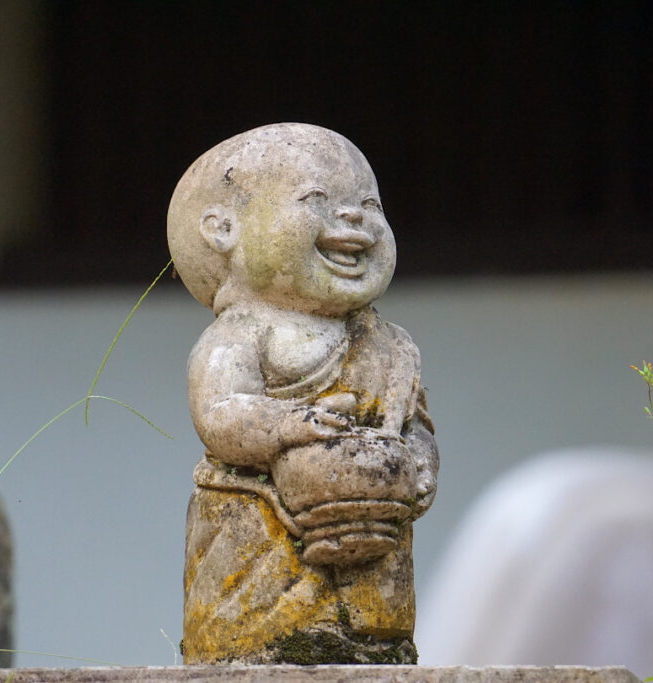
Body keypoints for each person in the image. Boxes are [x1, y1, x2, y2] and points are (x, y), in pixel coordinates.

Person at [167, 123, 438, 664]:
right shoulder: (242, 333)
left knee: (375, 638)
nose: (354, 217)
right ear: (224, 229)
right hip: (259, 529)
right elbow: (219, 413)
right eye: (317, 199)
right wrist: (287, 426)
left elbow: (414, 425)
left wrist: (420, 463)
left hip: (374, 525)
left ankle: (376, 646)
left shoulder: (389, 345)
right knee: (258, 640)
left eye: (369, 203)